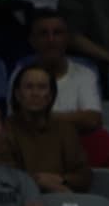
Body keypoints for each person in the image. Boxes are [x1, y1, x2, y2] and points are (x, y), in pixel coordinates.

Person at [8, 65, 93, 194]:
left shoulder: (65, 130)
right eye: (29, 87)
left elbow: (84, 176)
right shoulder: (3, 129)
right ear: (18, 95)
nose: (35, 93)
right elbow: (4, 176)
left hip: (61, 200)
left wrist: (60, 180)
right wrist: (40, 182)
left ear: (50, 96)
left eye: (41, 87)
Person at [22, 10, 102, 133]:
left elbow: (92, 120)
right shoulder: (21, 76)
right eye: (43, 34)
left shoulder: (85, 74)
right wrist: (74, 118)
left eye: (57, 33)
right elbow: (19, 122)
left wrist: (43, 117)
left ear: (67, 39)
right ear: (32, 41)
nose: (51, 40)